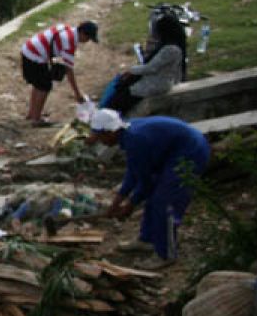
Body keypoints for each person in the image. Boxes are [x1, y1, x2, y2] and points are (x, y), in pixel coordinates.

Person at [87, 109, 210, 268]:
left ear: (110, 132)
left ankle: (166, 254)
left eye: (100, 137)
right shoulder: (128, 134)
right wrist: (116, 203)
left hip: (190, 153)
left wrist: (130, 206)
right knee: (154, 197)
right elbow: (133, 172)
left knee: (165, 203)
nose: (101, 142)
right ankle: (148, 239)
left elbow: (145, 183)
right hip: (174, 151)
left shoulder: (136, 140)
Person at [103, 12, 187, 115]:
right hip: (158, 82)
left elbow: (151, 68)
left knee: (118, 100)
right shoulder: (172, 47)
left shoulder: (171, 49)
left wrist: (131, 70)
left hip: (155, 85)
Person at [20, 20, 99, 125]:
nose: (87, 41)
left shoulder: (66, 28)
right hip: (35, 56)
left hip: (29, 50)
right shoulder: (69, 42)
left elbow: (52, 41)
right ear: (82, 33)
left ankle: (32, 113)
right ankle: (36, 119)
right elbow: (69, 71)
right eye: (88, 38)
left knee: (38, 84)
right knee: (44, 86)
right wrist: (77, 93)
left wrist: (51, 61)